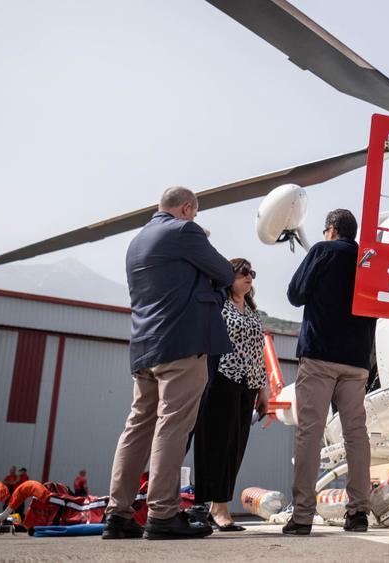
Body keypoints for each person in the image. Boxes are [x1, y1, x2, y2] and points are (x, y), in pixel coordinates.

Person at [103, 186, 235, 541]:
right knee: (172, 426)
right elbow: (224, 272)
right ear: (188, 208)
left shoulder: (137, 242)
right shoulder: (183, 231)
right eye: (195, 212)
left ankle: (118, 514)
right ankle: (162, 513)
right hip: (182, 345)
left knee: (137, 428)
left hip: (145, 348)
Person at [283, 209, 377, 535]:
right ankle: (358, 513)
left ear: (332, 230)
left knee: (310, 434)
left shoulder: (323, 251)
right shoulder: (369, 258)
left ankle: (303, 516)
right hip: (356, 361)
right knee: (356, 436)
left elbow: (295, 294)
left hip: (320, 356)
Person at [190, 258, 269, 532]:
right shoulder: (218, 306)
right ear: (228, 277)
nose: (249, 277)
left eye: (252, 273)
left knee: (234, 447)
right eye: (243, 272)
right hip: (220, 381)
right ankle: (208, 505)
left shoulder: (252, 312)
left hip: (247, 386)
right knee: (214, 445)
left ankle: (219, 506)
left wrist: (263, 390)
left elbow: (259, 354)